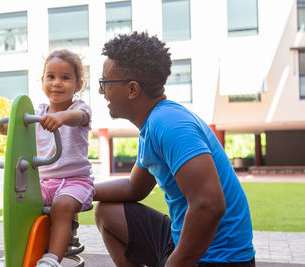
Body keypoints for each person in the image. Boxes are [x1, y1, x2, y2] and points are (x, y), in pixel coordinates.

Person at [93, 32, 256, 267]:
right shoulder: (154, 124)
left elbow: (209, 204)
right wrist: (81, 192)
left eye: (105, 83)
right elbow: (133, 187)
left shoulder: (169, 124)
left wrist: (176, 263)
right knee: (107, 212)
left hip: (218, 258)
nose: (101, 91)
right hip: (182, 241)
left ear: (132, 89)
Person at [0, 49, 93, 267]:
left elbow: (79, 118)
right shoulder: (38, 112)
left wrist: (61, 117)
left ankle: (52, 259)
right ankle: (15, 254)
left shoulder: (78, 109)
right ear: (42, 80)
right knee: (21, 204)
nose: (56, 83)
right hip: (43, 182)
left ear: (78, 85)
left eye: (65, 78)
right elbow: (15, 128)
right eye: (50, 76)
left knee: (61, 206)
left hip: (75, 182)